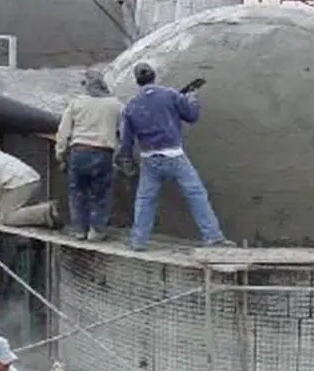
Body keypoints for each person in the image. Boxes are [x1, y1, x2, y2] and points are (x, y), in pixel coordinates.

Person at [116, 62, 233, 251]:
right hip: (174, 156)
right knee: (196, 194)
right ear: (154, 76)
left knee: (145, 200)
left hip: (149, 160)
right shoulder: (169, 94)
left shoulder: (131, 105)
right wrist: (191, 98)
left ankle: (138, 241)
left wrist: (126, 160)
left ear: (137, 81)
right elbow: (192, 116)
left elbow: (126, 140)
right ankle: (213, 237)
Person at [54, 68, 124, 241]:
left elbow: (63, 132)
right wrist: (120, 153)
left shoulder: (76, 103)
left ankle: (79, 229)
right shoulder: (116, 105)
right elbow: (124, 132)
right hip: (103, 153)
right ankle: (96, 231)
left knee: (77, 192)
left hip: (79, 152)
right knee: (101, 193)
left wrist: (60, 154)